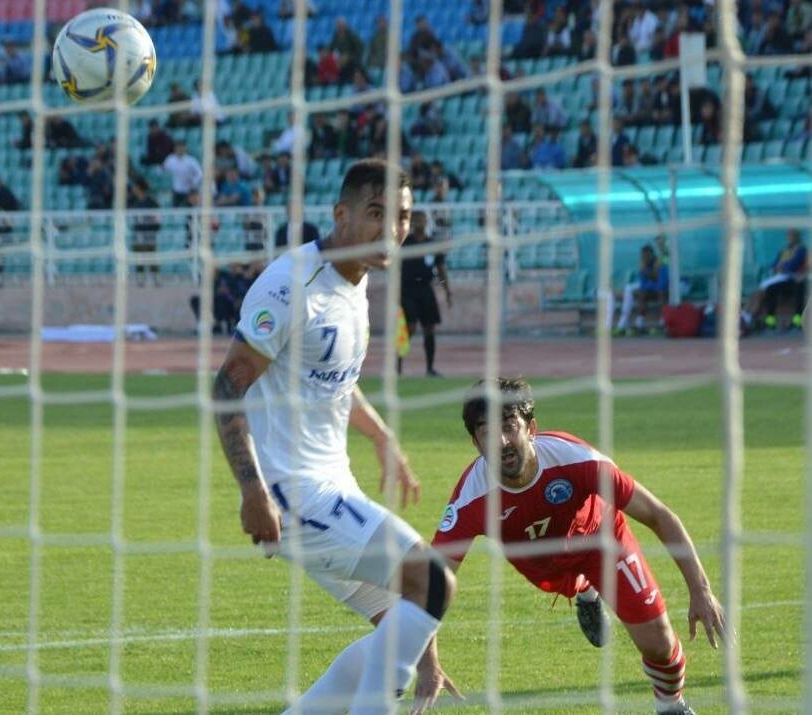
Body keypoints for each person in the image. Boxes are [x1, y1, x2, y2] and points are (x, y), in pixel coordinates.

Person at [212, 159, 456, 714]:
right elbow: (227, 386)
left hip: (332, 486)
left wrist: (381, 437)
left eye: (401, 216)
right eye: (376, 213)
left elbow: (335, 382)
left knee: (401, 621)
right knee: (434, 580)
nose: (391, 229)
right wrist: (253, 492)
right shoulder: (290, 285)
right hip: (292, 494)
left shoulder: (356, 283)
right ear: (341, 214)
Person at [420, 377, 727, 715]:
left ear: (531, 428)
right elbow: (432, 582)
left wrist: (700, 590)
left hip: (601, 541)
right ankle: (586, 589)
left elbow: (658, 515)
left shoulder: (576, 460)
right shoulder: (472, 499)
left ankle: (671, 706)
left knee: (658, 642)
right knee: (569, 581)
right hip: (540, 562)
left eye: (510, 427)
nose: (503, 442)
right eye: (488, 433)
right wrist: (428, 663)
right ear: (476, 443)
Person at [398, 211, 451, 378]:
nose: (419, 223)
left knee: (429, 328)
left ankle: (430, 368)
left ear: (426, 222)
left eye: (422, 220)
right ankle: (397, 366)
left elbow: (441, 269)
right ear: (411, 223)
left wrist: (447, 290)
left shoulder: (432, 244)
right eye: (416, 220)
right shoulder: (404, 243)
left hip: (426, 290)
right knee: (409, 327)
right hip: (408, 290)